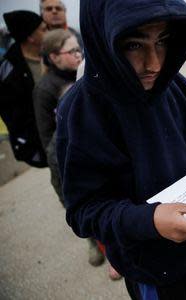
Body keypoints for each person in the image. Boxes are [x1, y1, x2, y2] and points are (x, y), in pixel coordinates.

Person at [56, 0, 186, 298]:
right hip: (152, 268)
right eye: (134, 45)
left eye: (162, 42)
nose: (154, 63)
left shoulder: (173, 85)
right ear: (102, 38)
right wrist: (149, 220)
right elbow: (84, 210)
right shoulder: (81, 112)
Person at [32, 29, 106, 269]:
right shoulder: (45, 90)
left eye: (79, 49)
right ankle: (95, 243)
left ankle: (113, 246)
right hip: (70, 161)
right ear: (54, 57)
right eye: (72, 51)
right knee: (87, 209)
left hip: (98, 152)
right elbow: (46, 136)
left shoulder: (87, 72)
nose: (79, 55)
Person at [0, 10, 48, 167]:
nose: (48, 31)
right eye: (43, 29)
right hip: (44, 146)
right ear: (31, 37)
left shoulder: (55, 53)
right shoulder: (9, 72)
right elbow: (14, 117)